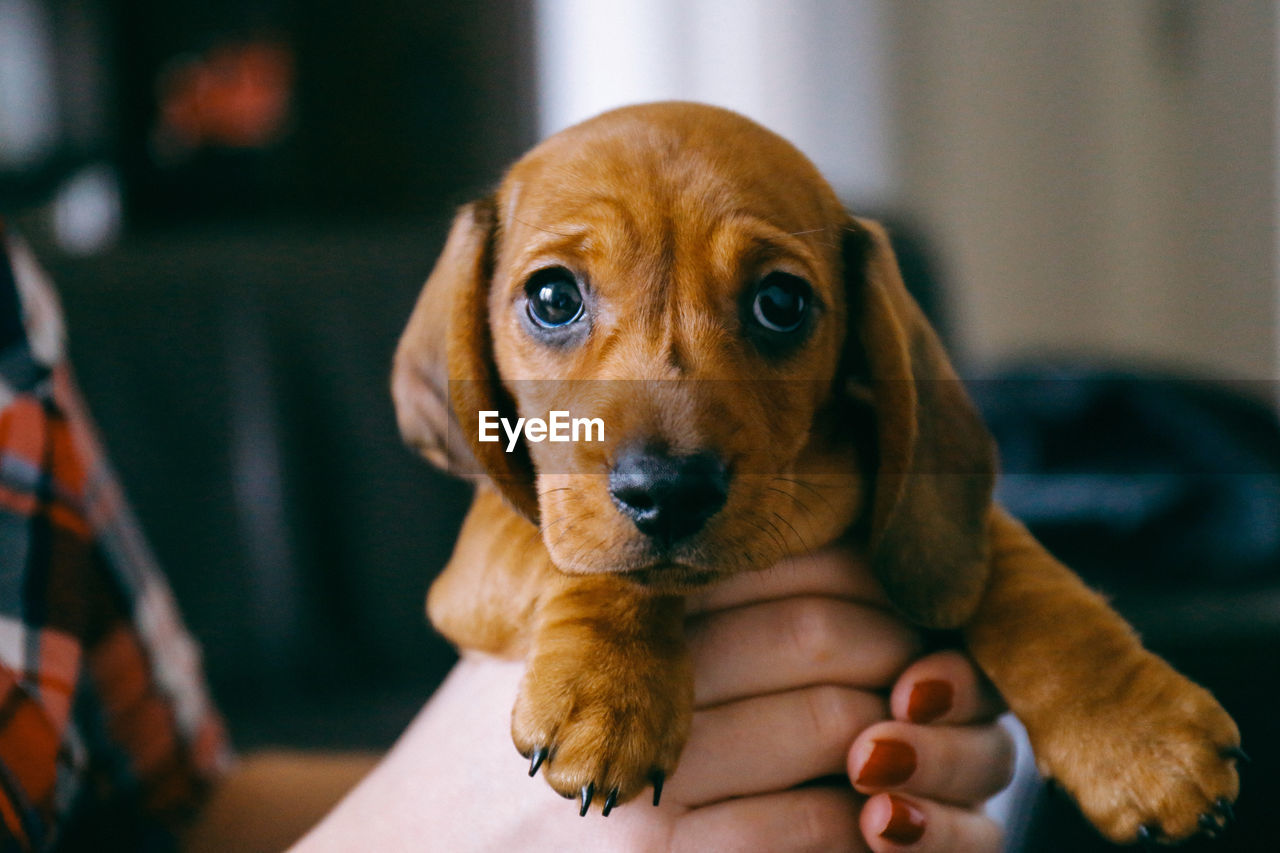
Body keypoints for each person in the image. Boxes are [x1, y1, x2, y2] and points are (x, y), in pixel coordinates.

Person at [0, 224, 1014, 851]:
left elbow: (168, 818)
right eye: (556, 301)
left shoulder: (12, 304)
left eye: (777, 305)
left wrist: (737, 790)